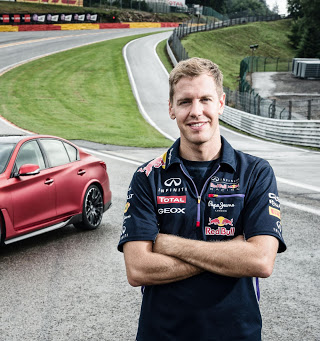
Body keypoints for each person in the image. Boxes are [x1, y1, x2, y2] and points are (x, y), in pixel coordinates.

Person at [118, 57, 286, 340]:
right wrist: (230, 253)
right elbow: (138, 269)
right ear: (171, 108)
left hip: (237, 333)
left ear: (221, 103)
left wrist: (166, 243)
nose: (196, 112)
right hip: (162, 334)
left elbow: (259, 261)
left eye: (205, 99)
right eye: (185, 102)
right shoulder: (148, 176)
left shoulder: (256, 172)